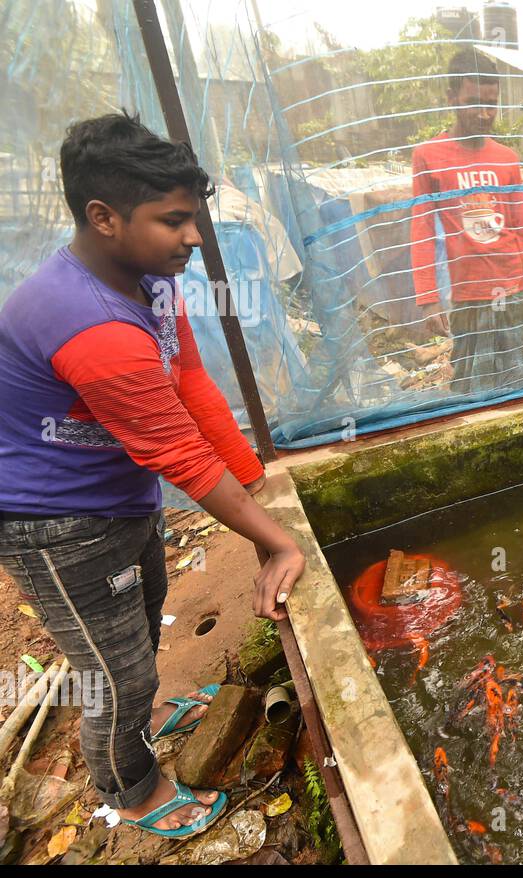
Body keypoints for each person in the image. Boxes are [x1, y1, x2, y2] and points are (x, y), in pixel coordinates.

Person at [0, 112, 306, 838]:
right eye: (173, 221)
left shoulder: (149, 278)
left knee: (140, 620)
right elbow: (179, 453)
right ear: (104, 217)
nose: (194, 238)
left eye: (193, 218)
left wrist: (255, 483)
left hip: (116, 494)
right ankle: (130, 787)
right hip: (54, 522)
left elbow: (193, 384)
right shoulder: (92, 325)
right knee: (113, 671)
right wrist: (279, 541)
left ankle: (136, 722)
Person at [410, 46, 523, 396]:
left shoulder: (506, 159)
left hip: (514, 292)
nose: (485, 113)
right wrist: (428, 297)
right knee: (470, 389)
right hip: (469, 296)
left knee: (519, 383)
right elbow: (422, 229)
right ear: (451, 97)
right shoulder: (429, 157)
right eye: (475, 102)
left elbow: (520, 228)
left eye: (492, 103)